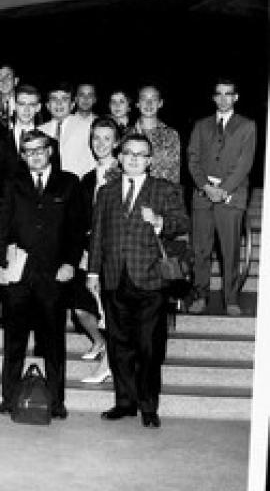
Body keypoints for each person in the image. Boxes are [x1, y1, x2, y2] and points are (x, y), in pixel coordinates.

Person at [87, 133, 190, 428]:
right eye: (128, 153)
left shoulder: (164, 190)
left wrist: (159, 221)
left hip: (151, 279)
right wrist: (93, 273)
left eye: (140, 154)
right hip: (114, 278)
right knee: (118, 346)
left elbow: (182, 223)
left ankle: (148, 406)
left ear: (150, 160)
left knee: (149, 347)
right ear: (119, 157)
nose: (133, 158)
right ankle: (124, 402)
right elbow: (98, 236)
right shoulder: (106, 192)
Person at [0, 130, 83, 420]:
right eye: (28, 150)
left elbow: (75, 229)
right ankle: (9, 398)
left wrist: (70, 262)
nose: (35, 155)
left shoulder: (68, 183)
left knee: (54, 342)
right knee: (14, 341)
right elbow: (0, 225)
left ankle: (56, 401)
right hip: (18, 274)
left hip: (54, 276)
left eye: (40, 149)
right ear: (22, 155)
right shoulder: (11, 183)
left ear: (50, 150)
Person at [187, 79, 256, 316]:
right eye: (219, 94)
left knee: (230, 250)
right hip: (202, 196)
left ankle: (232, 298)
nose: (224, 98)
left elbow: (244, 163)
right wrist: (206, 187)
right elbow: (192, 159)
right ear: (213, 98)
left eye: (229, 94)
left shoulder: (247, 126)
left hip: (232, 197)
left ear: (236, 97)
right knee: (200, 250)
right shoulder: (201, 125)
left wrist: (223, 189)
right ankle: (200, 295)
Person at [77, 117, 122, 384]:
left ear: (116, 142)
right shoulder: (86, 179)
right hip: (89, 252)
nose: (101, 143)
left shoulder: (123, 175)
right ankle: (103, 344)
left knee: (111, 311)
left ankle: (107, 365)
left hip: (113, 253)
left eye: (107, 138)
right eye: (96, 138)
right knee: (82, 308)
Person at [39, 82, 96, 178]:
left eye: (64, 99)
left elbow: (92, 163)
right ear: (48, 105)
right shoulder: (40, 131)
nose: (59, 103)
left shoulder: (87, 128)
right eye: (54, 99)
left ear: (73, 104)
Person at [128, 85, 181, 184]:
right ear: (137, 104)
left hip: (162, 195)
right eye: (144, 98)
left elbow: (175, 173)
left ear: (160, 103)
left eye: (154, 99)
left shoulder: (171, 135)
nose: (149, 103)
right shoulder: (126, 134)